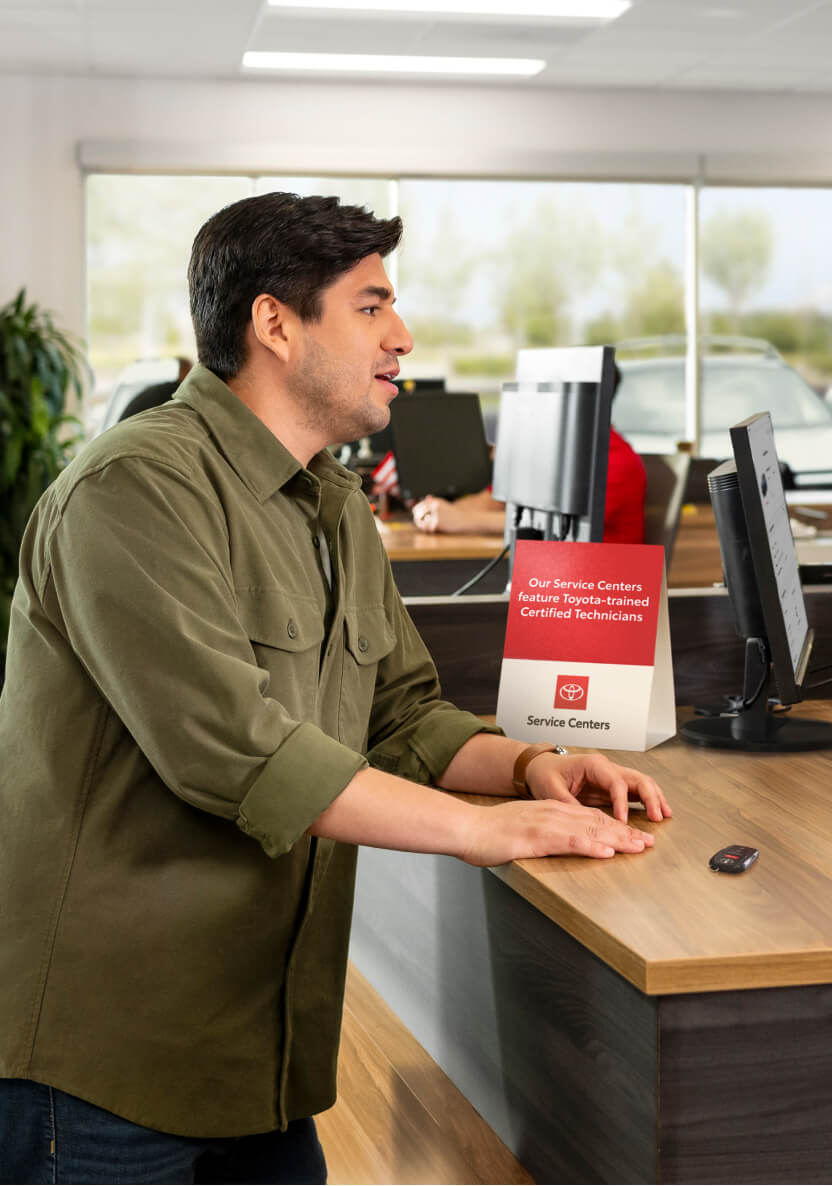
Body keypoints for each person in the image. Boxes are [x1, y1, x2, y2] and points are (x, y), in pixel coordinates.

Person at [0, 192, 671, 1184]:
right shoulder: (134, 489)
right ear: (273, 322)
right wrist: (485, 834)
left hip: (257, 1052)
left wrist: (535, 767)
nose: (401, 336)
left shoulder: (332, 505)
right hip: (106, 1062)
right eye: (370, 306)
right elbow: (235, 749)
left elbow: (400, 714)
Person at [410, 364, 647, 543]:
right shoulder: (554, 447)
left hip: (599, 590)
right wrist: (439, 511)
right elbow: (495, 502)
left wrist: (462, 521)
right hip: (553, 574)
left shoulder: (617, 460)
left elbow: (561, 524)